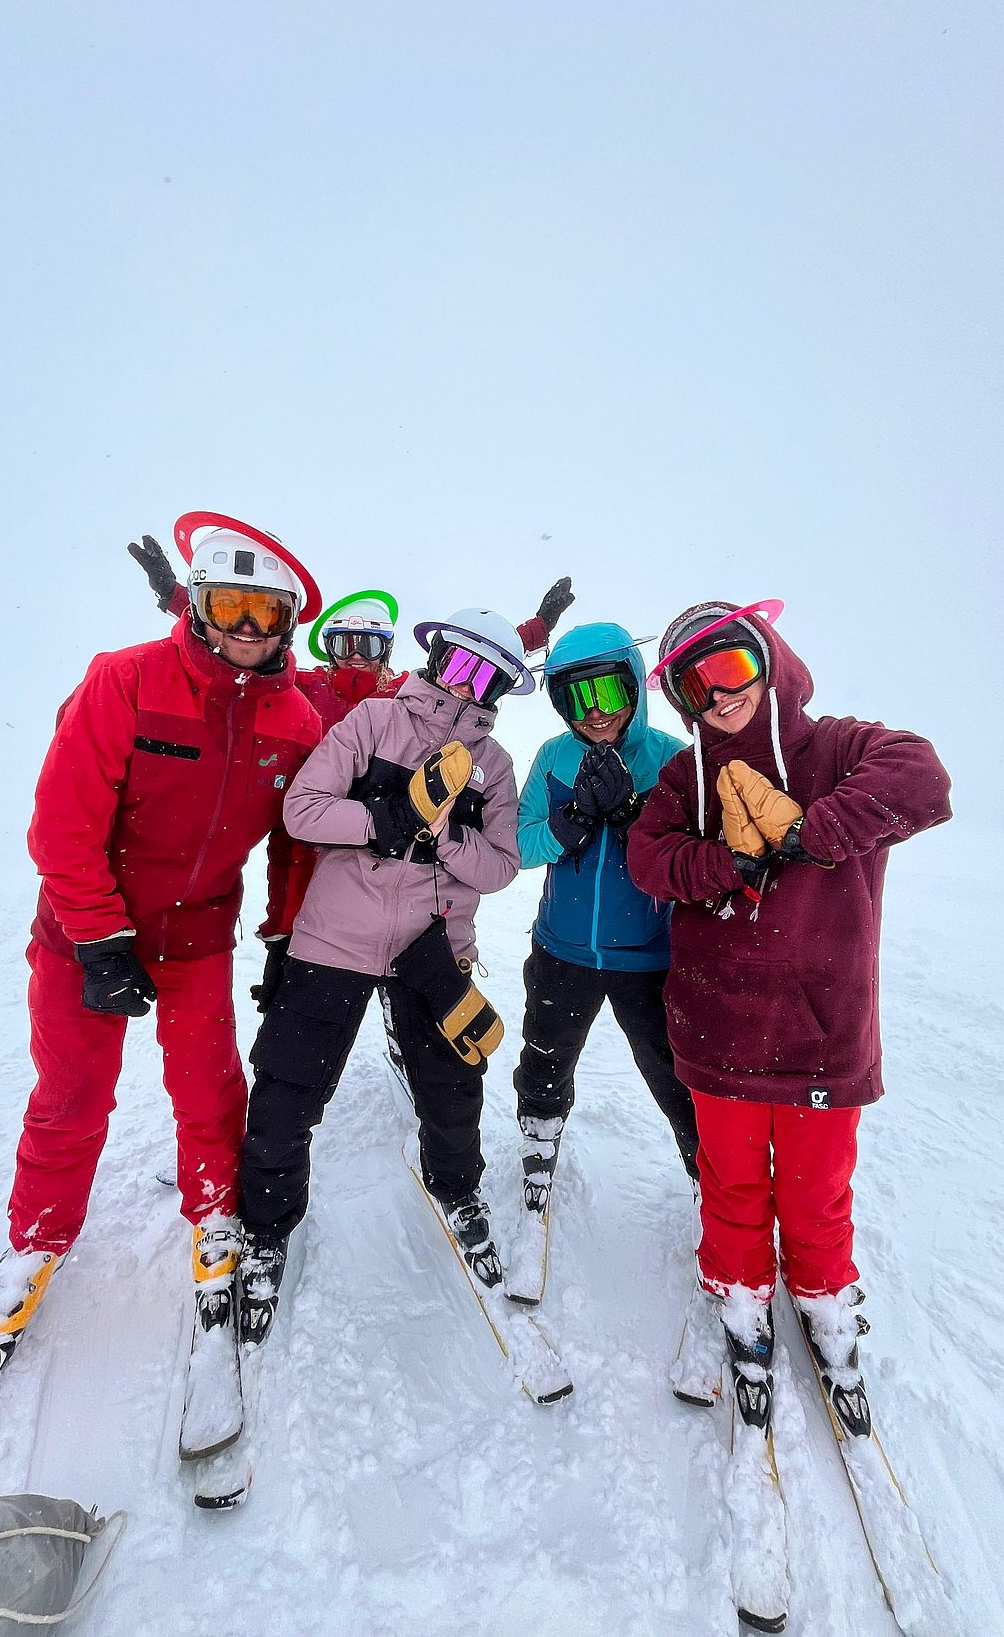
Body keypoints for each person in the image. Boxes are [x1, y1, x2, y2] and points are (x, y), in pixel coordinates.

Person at [0, 519, 323, 1397]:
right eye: (228, 603)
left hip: (197, 932)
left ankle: (215, 1219)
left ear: (285, 622)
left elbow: (296, 844)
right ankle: (36, 1241)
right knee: (71, 1097)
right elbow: (63, 824)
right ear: (196, 603)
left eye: (264, 608)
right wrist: (98, 937)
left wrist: (285, 934)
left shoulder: (298, 719)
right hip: (87, 930)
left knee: (208, 1087)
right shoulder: (126, 680)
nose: (246, 624)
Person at [626, 599, 951, 1435]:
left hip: (821, 1034)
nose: (718, 696)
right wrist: (721, 860)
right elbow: (647, 856)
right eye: (694, 686)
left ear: (766, 656)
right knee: (730, 1183)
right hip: (716, 1031)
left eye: (730, 667)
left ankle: (824, 1301)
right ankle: (740, 1298)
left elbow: (922, 774)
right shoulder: (683, 779)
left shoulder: (835, 747)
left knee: (815, 1192)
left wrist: (812, 829)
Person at [235, 607, 529, 1336]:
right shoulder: (371, 721)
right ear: (435, 659)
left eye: (485, 678)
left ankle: (458, 1191)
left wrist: (444, 840)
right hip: (334, 937)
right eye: (459, 665)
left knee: (453, 1086)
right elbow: (303, 809)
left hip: (432, 944)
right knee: (288, 1092)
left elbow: (501, 867)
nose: (466, 687)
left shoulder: (493, 767)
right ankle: (265, 1230)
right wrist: (383, 818)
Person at [510, 623, 699, 1255]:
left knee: (672, 1073)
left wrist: (631, 820)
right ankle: (540, 1135)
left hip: (650, 957)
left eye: (608, 693)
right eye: (575, 698)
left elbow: (689, 860)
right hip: (563, 949)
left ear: (634, 686)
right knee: (546, 1054)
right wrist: (576, 821)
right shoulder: (552, 758)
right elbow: (522, 843)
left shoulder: (673, 759)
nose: (595, 713)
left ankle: (709, 1173)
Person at [129, 534, 576, 733]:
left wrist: (537, 628)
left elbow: (469, 656)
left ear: (387, 651)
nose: (357, 657)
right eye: (345, 645)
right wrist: (175, 595)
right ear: (329, 647)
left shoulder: (404, 692)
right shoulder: (304, 688)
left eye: (370, 646)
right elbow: (239, 643)